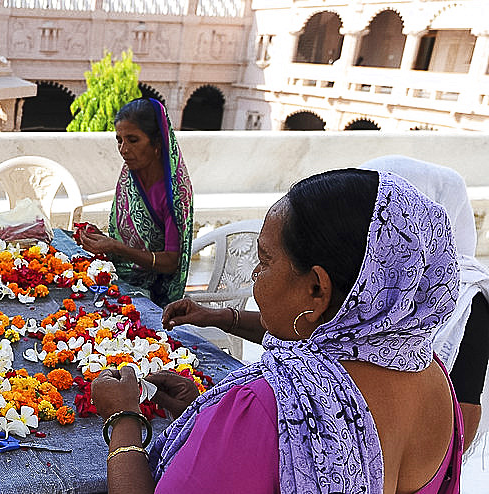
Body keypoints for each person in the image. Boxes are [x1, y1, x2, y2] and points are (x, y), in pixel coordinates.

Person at [91, 169, 462, 494]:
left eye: (264, 262)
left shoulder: (273, 406)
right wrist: (205, 415)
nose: (254, 281)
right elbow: (320, 472)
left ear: (317, 287)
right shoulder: (434, 384)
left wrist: (122, 421)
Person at [165, 155, 489, 452]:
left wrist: (127, 423)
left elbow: (454, 443)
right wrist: (220, 321)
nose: (255, 273)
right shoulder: (368, 321)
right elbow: (303, 324)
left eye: (265, 261)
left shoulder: (287, 402)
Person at [78, 98, 194, 307]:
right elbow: (131, 239)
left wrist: (116, 247)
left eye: (132, 140)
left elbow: (170, 262)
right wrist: (104, 240)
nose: (123, 149)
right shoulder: (131, 174)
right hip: (119, 276)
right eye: (119, 140)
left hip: (153, 294)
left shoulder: (173, 193)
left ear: (157, 142)